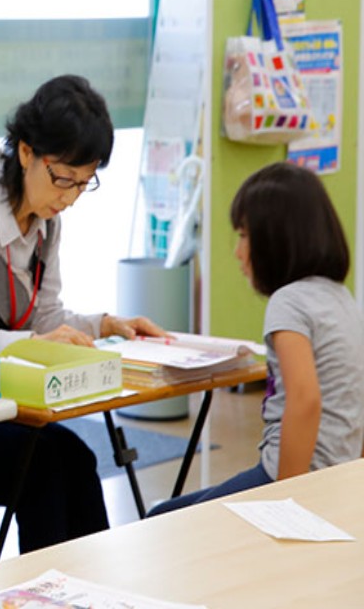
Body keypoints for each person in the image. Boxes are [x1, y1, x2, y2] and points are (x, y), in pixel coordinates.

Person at [0, 74, 165, 552]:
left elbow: (45, 314)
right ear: (26, 152)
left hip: (11, 405)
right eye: (63, 179)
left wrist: (105, 325)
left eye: (84, 183)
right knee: (47, 468)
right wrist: (34, 344)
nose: (69, 197)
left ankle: (91, 588)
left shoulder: (46, 224)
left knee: (79, 460)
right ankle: (43, 589)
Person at [149, 162, 364, 515]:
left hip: (294, 476)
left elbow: (304, 400)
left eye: (244, 236)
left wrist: (288, 502)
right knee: (167, 512)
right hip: (336, 475)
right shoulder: (341, 297)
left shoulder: (288, 302)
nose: (237, 251)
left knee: (160, 518)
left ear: (276, 239)